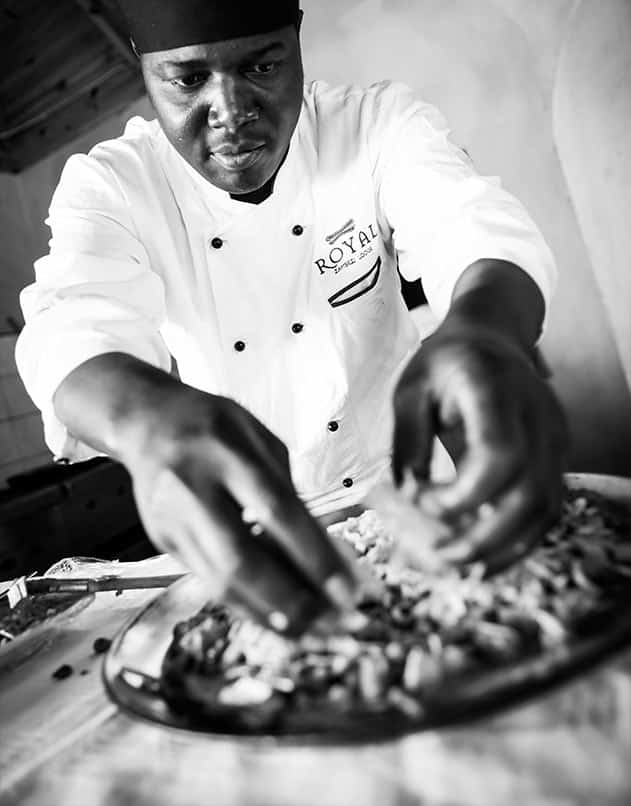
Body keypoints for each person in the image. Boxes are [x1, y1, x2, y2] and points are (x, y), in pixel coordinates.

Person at [15, 0, 568, 635]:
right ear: (145, 72)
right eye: (189, 79)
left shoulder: (373, 126)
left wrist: (485, 331)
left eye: (261, 66)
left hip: (424, 504)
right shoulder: (114, 185)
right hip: (254, 542)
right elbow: (71, 317)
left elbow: (472, 227)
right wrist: (144, 421)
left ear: (297, 44)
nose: (230, 112)